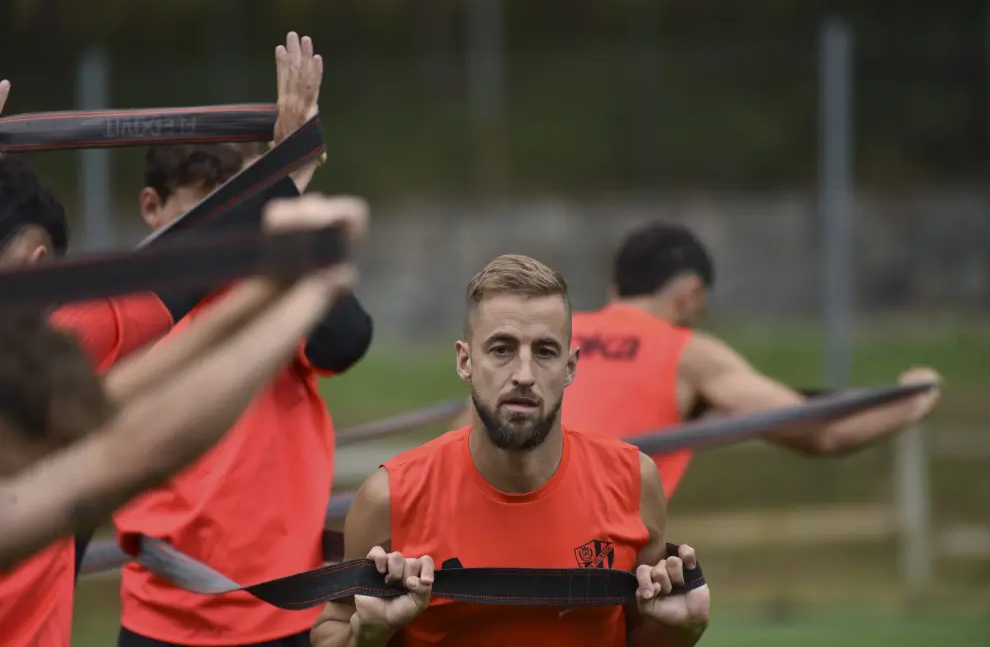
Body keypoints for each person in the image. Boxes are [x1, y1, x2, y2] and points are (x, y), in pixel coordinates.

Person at [0, 194, 368, 646]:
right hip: (165, 613)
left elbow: (106, 404)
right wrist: (310, 286)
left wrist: (276, 283)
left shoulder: (26, 438)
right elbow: (141, 449)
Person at [112, 32, 374, 647]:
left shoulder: (272, 284)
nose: (228, 238)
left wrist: (287, 222)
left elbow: (347, 339)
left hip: (277, 614)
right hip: (159, 617)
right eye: (209, 212)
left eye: (240, 212)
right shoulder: (129, 305)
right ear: (152, 207)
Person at [310, 254, 711, 647]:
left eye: (545, 352)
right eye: (502, 349)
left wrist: (681, 631)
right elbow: (333, 628)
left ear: (570, 367)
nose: (523, 374)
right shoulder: (390, 496)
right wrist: (368, 635)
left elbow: (640, 632)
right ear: (465, 360)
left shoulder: (633, 481)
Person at [560, 222, 943, 497]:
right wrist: (912, 399)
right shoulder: (689, 353)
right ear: (690, 294)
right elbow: (821, 432)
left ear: (615, 289)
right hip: (593, 555)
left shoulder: (555, 332)